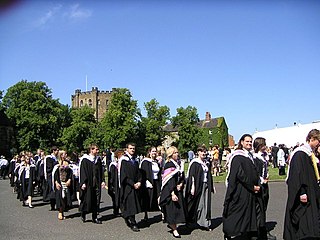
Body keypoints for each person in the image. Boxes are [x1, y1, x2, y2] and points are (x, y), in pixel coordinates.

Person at [223, 134, 263, 240]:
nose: (249, 143)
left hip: (250, 191)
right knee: (237, 213)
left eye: (250, 142)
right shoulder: (237, 156)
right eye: (247, 141)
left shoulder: (250, 156)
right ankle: (229, 233)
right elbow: (240, 175)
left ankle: (248, 233)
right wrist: (251, 186)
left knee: (248, 214)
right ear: (241, 142)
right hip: (241, 191)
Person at [283, 129, 320, 240]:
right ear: (311, 139)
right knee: (304, 218)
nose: (319, 143)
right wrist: (302, 192)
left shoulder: (310, 153)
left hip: (312, 190)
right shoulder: (300, 153)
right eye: (318, 140)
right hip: (304, 193)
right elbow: (297, 175)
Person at [185, 145, 214, 231]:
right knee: (199, 204)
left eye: (204, 151)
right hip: (198, 185)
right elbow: (192, 176)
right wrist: (192, 187)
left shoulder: (206, 163)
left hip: (206, 185)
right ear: (198, 153)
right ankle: (190, 220)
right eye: (201, 151)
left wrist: (212, 186)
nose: (203, 153)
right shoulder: (195, 163)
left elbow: (209, 175)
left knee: (206, 204)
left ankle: (205, 223)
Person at [159, 146, 186, 238]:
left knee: (178, 210)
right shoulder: (169, 165)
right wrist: (172, 193)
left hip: (178, 190)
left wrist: (181, 184)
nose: (177, 154)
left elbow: (182, 176)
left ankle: (173, 225)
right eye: (174, 153)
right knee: (171, 211)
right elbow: (169, 181)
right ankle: (174, 229)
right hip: (170, 191)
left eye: (177, 152)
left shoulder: (177, 164)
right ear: (170, 154)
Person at [253, 137, 276, 240]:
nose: (265, 147)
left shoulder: (263, 156)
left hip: (265, 185)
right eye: (263, 145)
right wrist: (262, 180)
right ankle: (260, 232)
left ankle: (262, 229)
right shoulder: (256, 158)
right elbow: (255, 173)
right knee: (260, 209)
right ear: (259, 146)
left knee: (264, 207)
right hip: (260, 185)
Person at [79, 144, 105, 224]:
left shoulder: (98, 160)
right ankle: (83, 213)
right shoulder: (85, 159)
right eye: (96, 149)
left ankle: (95, 217)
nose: (98, 151)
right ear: (91, 150)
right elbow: (82, 171)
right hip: (88, 183)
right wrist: (83, 182)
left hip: (96, 183)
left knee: (96, 199)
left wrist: (103, 180)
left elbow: (101, 171)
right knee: (87, 199)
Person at [119, 143, 142, 232]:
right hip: (128, 186)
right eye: (131, 148)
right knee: (130, 204)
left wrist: (139, 181)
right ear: (127, 149)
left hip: (136, 185)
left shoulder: (135, 161)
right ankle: (133, 222)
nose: (132, 150)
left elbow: (139, 173)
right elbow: (124, 176)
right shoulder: (124, 160)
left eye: (133, 148)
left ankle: (127, 216)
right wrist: (133, 184)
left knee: (132, 204)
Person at [139, 146, 161, 221]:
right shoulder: (145, 161)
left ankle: (163, 213)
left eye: (155, 151)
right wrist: (146, 181)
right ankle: (145, 214)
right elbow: (143, 173)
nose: (154, 153)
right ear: (149, 152)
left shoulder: (156, 162)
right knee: (148, 198)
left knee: (159, 196)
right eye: (153, 151)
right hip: (149, 182)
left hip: (157, 181)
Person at [53, 150, 73, 220]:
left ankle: (63, 211)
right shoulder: (56, 163)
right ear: (61, 155)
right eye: (64, 154)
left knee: (65, 198)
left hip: (66, 182)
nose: (66, 155)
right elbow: (55, 174)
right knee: (60, 197)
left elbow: (71, 172)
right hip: (60, 182)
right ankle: (60, 213)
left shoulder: (68, 163)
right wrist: (56, 182)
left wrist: (69, 180)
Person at [43, 146, 59, 210]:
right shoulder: (49, 158)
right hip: (51, 177)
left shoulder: (56, 158)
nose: (58, 151)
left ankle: (56, 204)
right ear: (53, 151)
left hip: (56, 176)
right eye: (57, 150)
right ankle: (52, 205)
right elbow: (49, 168)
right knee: (52, 190)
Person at [107, 149, 123, 216]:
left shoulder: (122, 163)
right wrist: (112, 185)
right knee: (115, 198)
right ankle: (115, 210)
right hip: (115, 184)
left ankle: (121, 210)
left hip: (120, 183)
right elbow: (112, 176)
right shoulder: (113, 165)